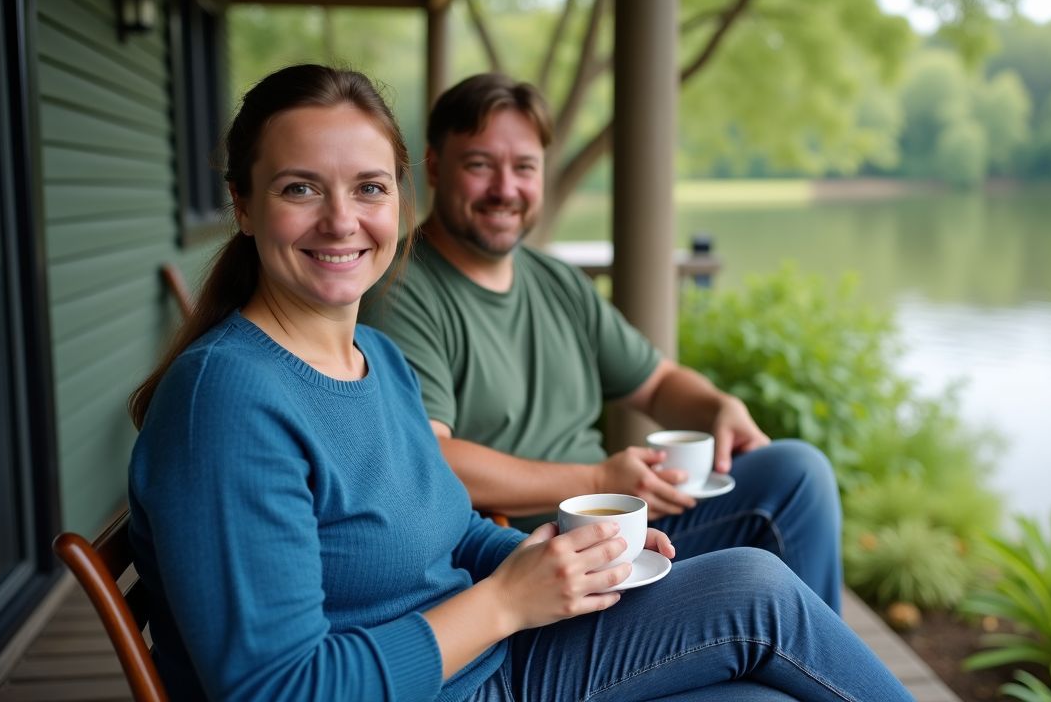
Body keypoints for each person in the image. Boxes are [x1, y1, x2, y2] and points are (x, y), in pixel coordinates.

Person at [125, 64, 913, 701]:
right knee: (757, 602)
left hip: (493, 658)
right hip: (467, 671)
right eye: (301, 188)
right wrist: (505, 602)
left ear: (400, 197)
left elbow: (449, 532)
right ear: (243, 206)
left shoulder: (375, 358)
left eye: (368, 187)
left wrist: (562, 558)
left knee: (760, 636)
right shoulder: (226, 403)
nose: (342, 220)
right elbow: (278, 688)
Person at [360, 72, 845, 613]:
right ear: (433, 165)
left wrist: (717, 406)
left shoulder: (556, 281)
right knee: (760, 594)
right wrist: (596, 478)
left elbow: (657, 382)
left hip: (628, 533)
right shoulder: (402, 290)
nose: (505, 188)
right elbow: (429, 460)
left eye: (524, 167)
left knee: (797, 474)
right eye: (480, 164)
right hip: (534, 559)